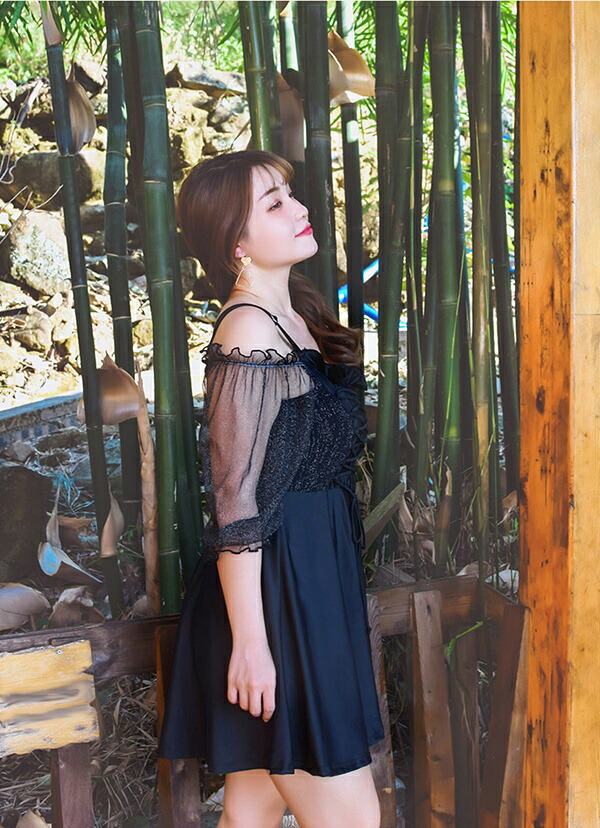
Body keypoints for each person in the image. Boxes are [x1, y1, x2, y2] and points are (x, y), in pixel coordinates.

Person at [157, 149, 384, 828]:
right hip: (279, 598)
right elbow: (237, 506)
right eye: (275, 203)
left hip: (313, 579)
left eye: (290, 193)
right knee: (353, 820)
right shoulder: (248, 330)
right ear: (236, 243)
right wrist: (253, 645)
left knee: (250, 811)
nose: (300, 208)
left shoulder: (294, 314)